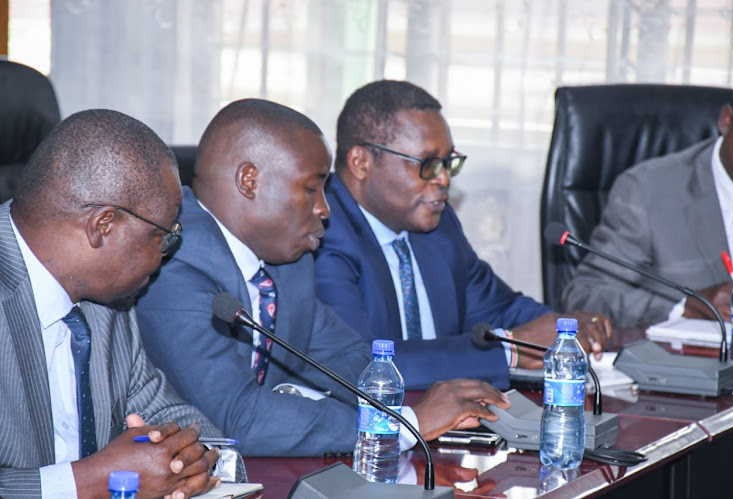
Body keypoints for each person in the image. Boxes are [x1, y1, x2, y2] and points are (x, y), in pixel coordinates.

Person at [136, 98, 511, 458]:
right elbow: (237, 419)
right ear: (249, 181)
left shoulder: (286, 259)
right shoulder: (171, 264)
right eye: (311, 189)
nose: (324, 209)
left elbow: (350, 357)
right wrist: (400, 426)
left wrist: (432, 409)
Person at [0, 109, 244, 498]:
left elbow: (176, 420)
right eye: (163, 237)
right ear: (104, 226)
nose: (166, 255)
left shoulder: (108, 304)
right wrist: (91, 481)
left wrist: (192, 462)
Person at [314, 80, 612, 390]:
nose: (443, 179)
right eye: (428, 164)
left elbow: (497, 309)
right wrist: (511, 350)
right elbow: (360, 365)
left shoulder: (435, 225)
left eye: (448, 163)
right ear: (361, 162)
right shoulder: (320, 235)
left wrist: (567, 330)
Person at [563, 71, 733, 328]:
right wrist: (683, 306)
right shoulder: (646, 191)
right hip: (677, 364)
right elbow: (587, 295)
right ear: (726, 121)